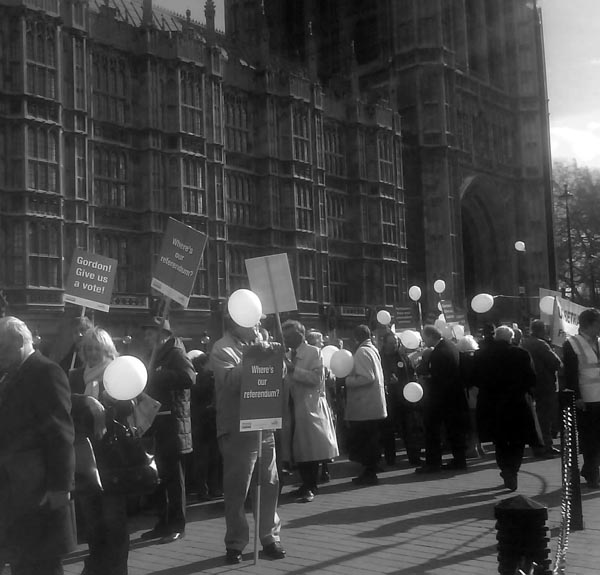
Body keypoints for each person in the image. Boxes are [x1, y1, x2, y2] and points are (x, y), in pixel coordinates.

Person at [0, 316, 76, 575]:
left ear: (19, 341)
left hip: (39, 489)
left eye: (1, 348)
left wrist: (59, 487)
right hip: (17, 489)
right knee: (23, 561)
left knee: (42, 564)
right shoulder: (11, 374)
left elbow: (60, 434)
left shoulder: (45, 371)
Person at [210, 315, 285, 564]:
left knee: (269, 482)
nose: (257, 325)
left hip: (265, 424)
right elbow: (230, 382)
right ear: (236, 322)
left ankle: (270, 537)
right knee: (237, 489)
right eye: (252, 321)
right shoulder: (222, 348)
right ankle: (236, 542)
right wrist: (253, 357)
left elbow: (281, 373)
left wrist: (273, 355)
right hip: (237, 428)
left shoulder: (264, 341)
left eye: (257, 321)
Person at [69, 327, 130, 575]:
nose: (92, 353)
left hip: (111, 457)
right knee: (92, 520)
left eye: (97, 348)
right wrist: (86, 400)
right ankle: (96, 566)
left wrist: (113, 403)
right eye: (88, 348)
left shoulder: (116, 373)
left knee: (113, 519)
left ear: (106, 349)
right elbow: (64, 403)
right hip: (83, 455)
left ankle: (116, 569)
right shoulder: (74, 375)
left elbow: (129, 410)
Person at [141, 318, 195, 544]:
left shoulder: (175, 352)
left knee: (174, 478)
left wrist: (157, 375)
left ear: (161, 333)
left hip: (173, 424)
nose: (145, 337)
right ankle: (162, 522)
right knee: (160, 477)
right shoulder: (154, 354)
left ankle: (177, 524)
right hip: (157, 423)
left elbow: (189, 377)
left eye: (149, 332)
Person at [475, 325, 541, 491]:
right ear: (511, 338)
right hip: (517, 403)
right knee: (518, 440)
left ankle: (505, 468)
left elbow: (475, 379)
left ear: (496, 337)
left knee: (500, 440)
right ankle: (513, 469)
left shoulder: (482, 355)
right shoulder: (521, 354)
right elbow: (532, 378)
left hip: (492, 404)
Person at [281, 321, 338, 502]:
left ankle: (310, 485)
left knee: (309, 448)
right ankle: (305, 484)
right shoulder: (286, 354)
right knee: (298, 448)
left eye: (289, 335)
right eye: (284, 336)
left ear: (300, 335)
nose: (286, 339)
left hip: (309, 405)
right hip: (292, 405)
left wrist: (293, 369)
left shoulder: (314, 352)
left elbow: (316, 379)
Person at [416, 325, 468, 474]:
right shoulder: (450, 346)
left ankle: (433, 463)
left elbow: (440, 377)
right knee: (454, 431)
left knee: (433, 431)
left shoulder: (439, 353)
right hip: (453, 397)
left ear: (431, 336)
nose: (423, 340)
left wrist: (428, 379)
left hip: (442, 399)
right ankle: (459, 460)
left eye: (424, 337)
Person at [345, 324, 387, 485]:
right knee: (371, 438)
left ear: (356, 337)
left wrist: (348, 381)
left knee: (367, 440)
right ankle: (371, 469)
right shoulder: (372, 349)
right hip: (373, 403)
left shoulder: (362, 352)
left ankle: (369, 472)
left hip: (366, 404)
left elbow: (367, 377)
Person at [562, 307, 600, 488]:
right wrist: (576, 397)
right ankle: (593, 475)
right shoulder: (572, 344)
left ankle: (590, 469)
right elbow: (570, 374)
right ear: (590, 324)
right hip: (586, 400)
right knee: (590, 438)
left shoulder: (599, 342)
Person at [521, 320, 562, 458]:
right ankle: (545, 445)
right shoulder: (541, 344)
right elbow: (556, 362)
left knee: (535, 416)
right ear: (542, 330)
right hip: (545, 384)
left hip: (531, 384)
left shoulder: (524, 342)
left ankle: (537, 444)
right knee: (545, 416)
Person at [380, 332, 422, 466]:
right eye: (391, 343)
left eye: (396, 342)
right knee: (388, 431)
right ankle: (390, 459)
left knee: (408, 429)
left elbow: (411, 373)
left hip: (404, 399)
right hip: (388, 400)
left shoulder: (403, 356)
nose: (394, 345)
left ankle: (414, 457)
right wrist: (388, 381)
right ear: (385, 343)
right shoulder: (380, 358)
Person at [188, 350, 222, 500]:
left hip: (202, 421)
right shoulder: (206, 377)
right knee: (210, 457)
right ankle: (209, 488)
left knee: (206, 457)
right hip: (207, 420)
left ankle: (206, 488)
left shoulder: (199, 376)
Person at [457, 335, 485, 459]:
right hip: (479, 391)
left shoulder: (462, 359)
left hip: (468, 392)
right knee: (477, 420)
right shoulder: (478, 357)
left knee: (471, 420)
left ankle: (473, 447)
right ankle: (479, 445)